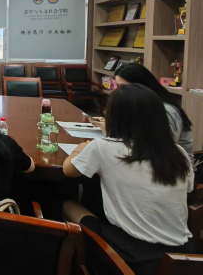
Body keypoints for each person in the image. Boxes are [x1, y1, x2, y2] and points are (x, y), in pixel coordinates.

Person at [62, 84, 193, 275]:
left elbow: (68, 170)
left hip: (129, 256)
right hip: (182, 256)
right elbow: (187, 191)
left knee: (67, 203)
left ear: (114, 116)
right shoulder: (179, 153)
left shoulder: (103, 147)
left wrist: (79, 149)